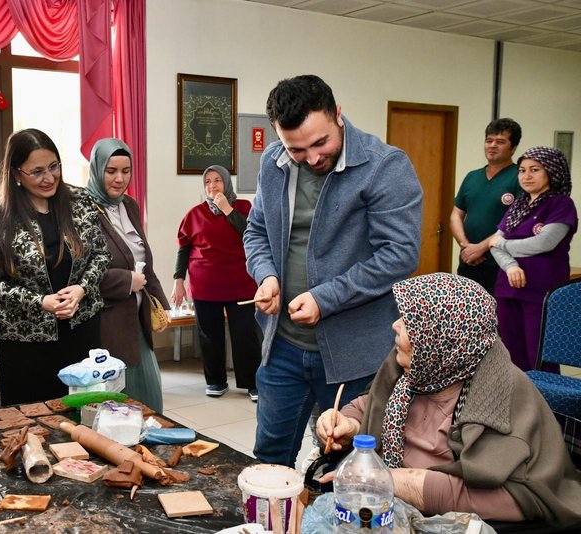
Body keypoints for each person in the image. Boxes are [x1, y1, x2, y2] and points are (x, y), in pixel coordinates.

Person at [244, 74, 422, 467]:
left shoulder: (384, 167)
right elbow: (256, 230)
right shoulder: (273, 163)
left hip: (353, 355)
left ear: (338, 114)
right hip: (282, 347)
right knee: (269, 459)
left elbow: (399, 255)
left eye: (320, 142)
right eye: (296, 149)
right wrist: (266, 274)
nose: (311, 158)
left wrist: (326, 299)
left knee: (344, 466)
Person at [316, 273, 581, 525]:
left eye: (409, 322)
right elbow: (371, 405)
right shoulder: (418, 366)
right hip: (388, 508)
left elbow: (517, 497)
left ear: (443, 338)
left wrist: (387, 481)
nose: (395, 325)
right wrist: (348, 424)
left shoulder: (501, 394)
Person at [0, 129, 110, 406]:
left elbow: (101, 254)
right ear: (15, 174)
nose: (49, 178)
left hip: (81, 330)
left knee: (81, 415)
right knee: (31, 422)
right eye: (37, 171)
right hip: (26, 342)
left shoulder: (81, 201)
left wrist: (82, 289)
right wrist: (40, 302)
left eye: (53, 167)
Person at [85, 138, 169, 412]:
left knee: (149, 402)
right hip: (105, 325)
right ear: (97, 169)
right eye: (111, 171)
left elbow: (144, 260)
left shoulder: (129, 206)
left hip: (138, 321)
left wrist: (161, 305)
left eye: (126, 171)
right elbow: (80, 273)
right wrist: (126, 281)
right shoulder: (82, 210)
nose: (120, 179)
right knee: (116, 408)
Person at [172, 165, 261, 401]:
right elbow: (184, 248)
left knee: (246, 334)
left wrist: (227, 210)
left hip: (240, 283)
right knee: (209, 335)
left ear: (227, 183)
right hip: (205, 285)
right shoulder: (194, 214)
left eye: (217, 180)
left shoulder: (244, 207)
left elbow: (249, 234)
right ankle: (216, 381)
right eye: (208, 182)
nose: (212, 186)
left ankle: (252, 383)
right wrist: (178, 280)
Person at [490, 146, 578, 372]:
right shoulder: (518, 205)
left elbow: (544, 243)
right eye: (521, 170)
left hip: (541, 292)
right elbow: (494, 245)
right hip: (508, 289)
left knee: (539, 356)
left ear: (551, 172)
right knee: (510, 354)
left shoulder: (561, 204)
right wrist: (510, 266)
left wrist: (504, 245)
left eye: (534, 170)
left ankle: (547, 405)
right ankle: (517, 405)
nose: (526, 176)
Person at [450, 118, 522, 294]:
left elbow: (517, 223)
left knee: (497, 317)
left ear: (513, 148)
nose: (492, 146)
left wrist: (480, 247)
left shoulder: (519, 178)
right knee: (466, 314)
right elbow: (456, 215)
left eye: (500, 142)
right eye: (489, 141)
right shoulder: (472, 177)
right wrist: (466, 246)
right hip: (468, 262)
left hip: (501, 264)